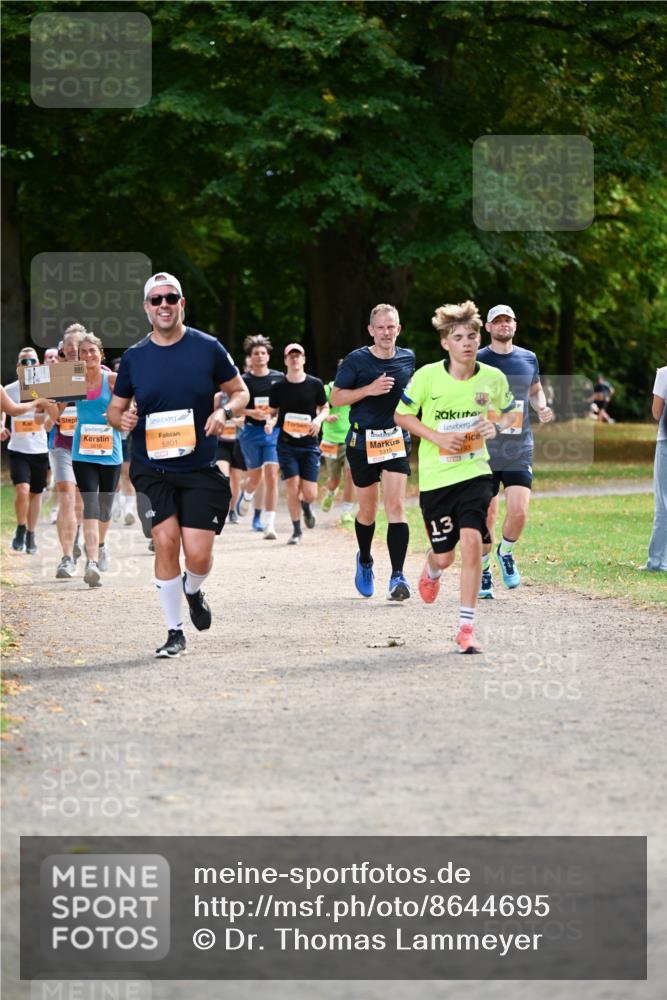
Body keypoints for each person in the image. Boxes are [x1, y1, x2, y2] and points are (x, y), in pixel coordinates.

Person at [107, 271, 248, 658]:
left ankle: (193, 589)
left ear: (181, 304)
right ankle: (174, 631)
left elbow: (240, 391)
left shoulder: (208, 348)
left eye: (171, 298)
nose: (164, 305)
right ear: (147, 308)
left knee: (198, 555)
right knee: (165, 542)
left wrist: (224, 411)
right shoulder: (135, 358)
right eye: (157, 300)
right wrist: (124, 420)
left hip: (200, 466)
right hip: (153, 468)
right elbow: (114, 411)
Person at [395, 300, 515, 653]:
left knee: (473, 542)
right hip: (436, 479)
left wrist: (496, 424)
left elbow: (511, 415)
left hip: (476, 472)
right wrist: (435, 436)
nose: (467, 342)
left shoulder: (493, 378)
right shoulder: (427, 376)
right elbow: (402, 416)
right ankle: (432, 570)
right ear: (445, 342)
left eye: (472, 336)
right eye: (458, 337)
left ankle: (466, 628)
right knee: (445, 555)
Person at [331, 304, 415, 600]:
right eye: (380, 327)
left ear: (398, 329)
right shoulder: (356, 361)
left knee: (396, 507)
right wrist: (368, 389)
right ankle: (365, 559)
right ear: (371, 330)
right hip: (362, 442)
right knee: (367, 510)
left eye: (391, 326)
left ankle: (398, 576)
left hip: (394, 440)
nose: (386, 332)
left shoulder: (408, 359)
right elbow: (336, 397)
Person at [476, 304, 553, 598]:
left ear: (515, 326)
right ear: (488, 327)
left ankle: (505, 552)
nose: (503, 325)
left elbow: (534, 391)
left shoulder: (528, 358)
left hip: (519, 447)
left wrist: (542, 406)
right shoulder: (478, 359)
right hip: (484, 450)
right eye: (498, 321)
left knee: (519, 512)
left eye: (508, 320)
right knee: (487, 513)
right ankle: (483, 571)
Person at [68, 334, 123, 587]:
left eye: (92, 351)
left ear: (100, 353)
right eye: (83, 352)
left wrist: (117, 412)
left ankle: (100, 545)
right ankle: (91, 563)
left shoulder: (111, 379)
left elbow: (134, 401)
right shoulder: (72, 379)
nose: (88, 356)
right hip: (83, 451)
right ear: (77, 357)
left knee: (104, 508)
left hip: (110, 451)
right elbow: (39, 390)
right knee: (89, 503)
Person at [267, 344, 328, 544]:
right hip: (286, 444)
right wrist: (269, 422)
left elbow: (324, 407)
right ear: (285, 361)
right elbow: (272, 412)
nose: (294, 359)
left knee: (310, 493)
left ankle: (306, 506)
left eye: (298, 356)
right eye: (290, 356)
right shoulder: (278, 387)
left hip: (309, 444)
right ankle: (296, 531)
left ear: (303, 359)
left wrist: (318, 421)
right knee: (292, 485)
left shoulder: (315, 384)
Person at [2, 348, 53, 555]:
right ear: (18, 367)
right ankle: (21, 528)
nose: (29, 365)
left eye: (32, 361)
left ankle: (31, 533)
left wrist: (45, 416)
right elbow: (5, 410)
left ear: (38, 366)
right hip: (18, 448)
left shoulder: (47, 389)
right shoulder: (10, 389)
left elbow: (51, 421)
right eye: (24, 362)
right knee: (22, 490)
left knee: (35, 494)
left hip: (40, 449)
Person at [236, 335, 282, 537]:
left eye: (263, 353)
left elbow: (285, 405)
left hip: (272, 432)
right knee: (254, 478)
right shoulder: (243, 381)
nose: (260, 356)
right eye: (256, 353)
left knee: (272, 474)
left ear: (268, 356)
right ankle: (246, 494)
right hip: (251, 433)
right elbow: (233, 409)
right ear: (250, 357)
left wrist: (274, 419)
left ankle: (270, 524)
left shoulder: (279, 378)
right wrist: (250, 413)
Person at [50, 324, 86, 578]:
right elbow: (51, 418)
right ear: (63, 350)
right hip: (63, 444)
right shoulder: (53, 376)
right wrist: (57, 399)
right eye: (69, 346)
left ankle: (77, 537)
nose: (73, 350)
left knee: (82, 502)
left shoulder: (101, 373)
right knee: (66, 494)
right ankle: (65, 558)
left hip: (92, 445)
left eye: (77, 345)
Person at [320, 362, 356, 525]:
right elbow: (319, 409)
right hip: (331, 440)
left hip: (351, 439)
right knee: (334, 479)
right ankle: (331, 493)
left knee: (351, 474)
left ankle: (346, 511)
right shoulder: (328, 389)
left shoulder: (357, 390)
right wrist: (326, 417)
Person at [644, 364, 667, 572]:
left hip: (666, 443)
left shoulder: (664, 373)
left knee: (663, 502)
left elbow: (656, 413)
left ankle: (657, 562)